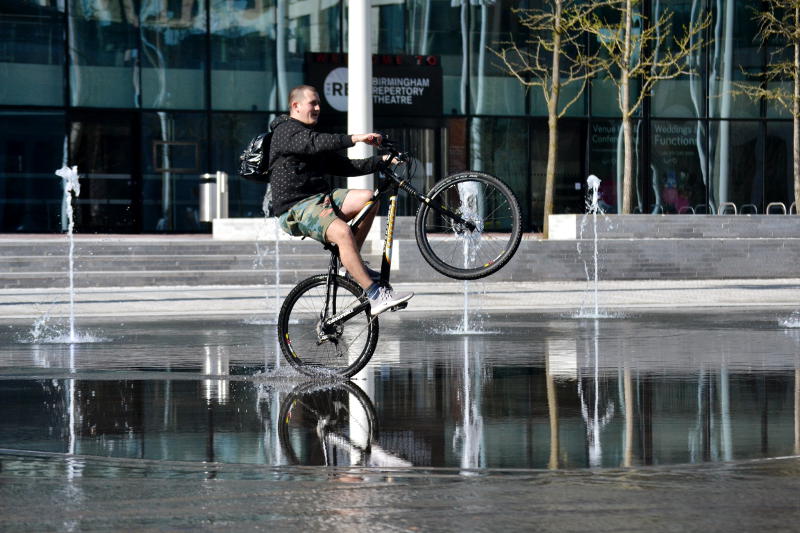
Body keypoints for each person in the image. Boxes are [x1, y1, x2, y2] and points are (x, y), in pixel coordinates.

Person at [268, 85, 414, 316]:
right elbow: (314, 142)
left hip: (320, 199)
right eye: (312, 103)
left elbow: (345, 166)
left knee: (369, 199)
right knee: (342, 232)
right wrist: (356, 138)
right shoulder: (287, 131)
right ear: (295, 106)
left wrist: (383, 161)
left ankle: (350, 265)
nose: (317, 108)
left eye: (318, 104)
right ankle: (375, 295)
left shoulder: (307, 135)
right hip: (296, 208)